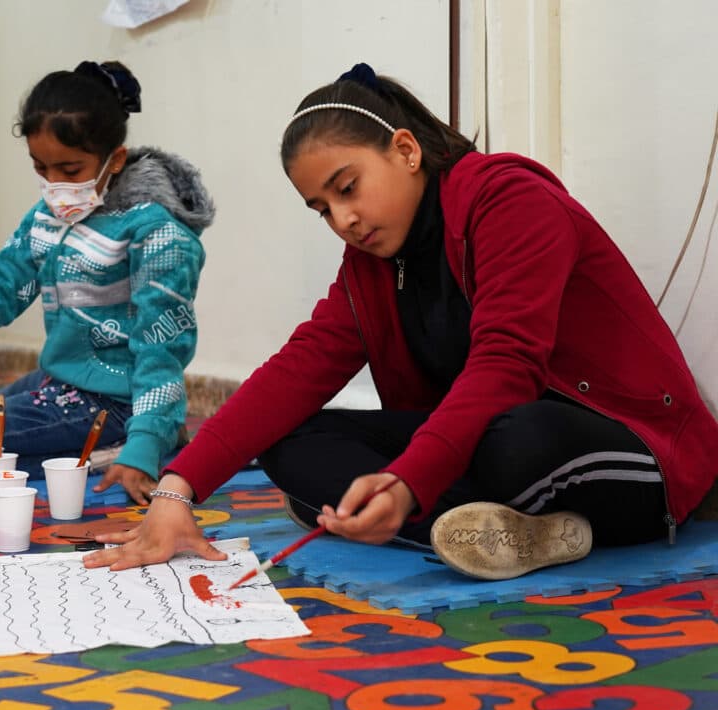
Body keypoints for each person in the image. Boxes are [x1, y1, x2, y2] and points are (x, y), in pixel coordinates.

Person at [84, 63, 718, 581]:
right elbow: (296, 371)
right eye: (322, 209)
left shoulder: (510, 201)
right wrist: (177, 489)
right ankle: (499, 532)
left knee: (517, 437)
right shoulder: (369, 266)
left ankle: (423, 516)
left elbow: (508, 364)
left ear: (406, 150)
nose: (344, 219)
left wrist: (411, 480)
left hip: (628, 446)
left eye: (348, 186)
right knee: (292, 442)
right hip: (482, 450)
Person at [0, 61, 214, 504]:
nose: (55, 185)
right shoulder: (49, 215)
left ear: (115, 159)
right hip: (59, 381)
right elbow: (4, 283)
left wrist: (145, 440)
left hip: (117, 401)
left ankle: (141, 444)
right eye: (41, 168)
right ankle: (105, 447)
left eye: (70, 169)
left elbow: (161, 350)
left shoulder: (159, 234)